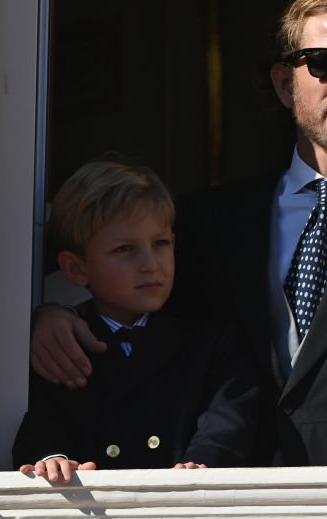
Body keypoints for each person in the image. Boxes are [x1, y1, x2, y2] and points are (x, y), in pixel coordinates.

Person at [30, 0, 327, 466]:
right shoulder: (207, 220)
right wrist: (49, 314)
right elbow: (104, 275)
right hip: (214, 511)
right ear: (283, 82)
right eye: (323, 62)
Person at [14, 161, 259, 481]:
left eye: (160, 243)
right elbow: (41, 422)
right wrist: (51, 459)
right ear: (76, 268)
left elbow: (228, 418)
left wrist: (203, 460)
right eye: (125, 249)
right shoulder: (62, 346)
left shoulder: (211, 339)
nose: (150, 264)